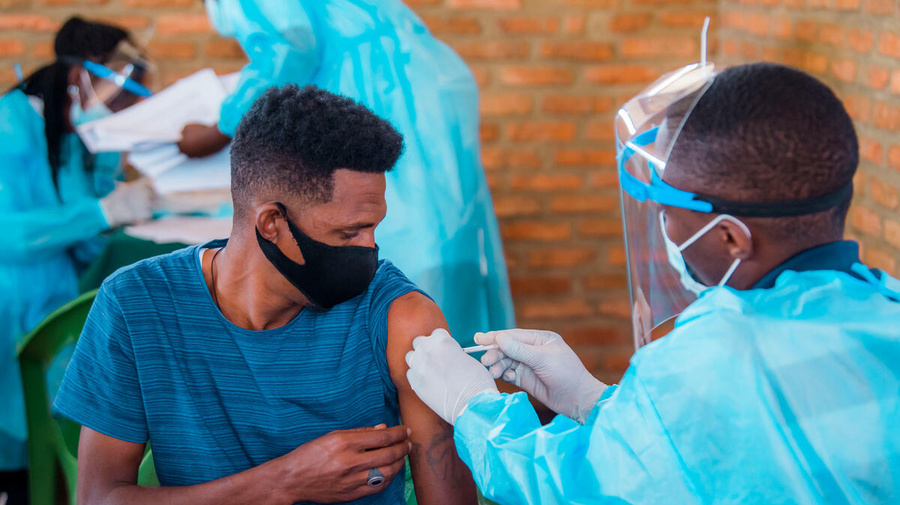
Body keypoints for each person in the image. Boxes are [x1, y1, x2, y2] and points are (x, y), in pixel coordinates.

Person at [405, 62, 900, 504]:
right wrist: (590, 399)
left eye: (667, 213)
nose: (665, 230)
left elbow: (576, 486)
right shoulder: (884, 307)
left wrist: (475, 408)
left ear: (730, 238)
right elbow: (727, 445)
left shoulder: (717, 351)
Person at [54, 85, 477, 505]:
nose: (369, 248)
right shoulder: (136, 305)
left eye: (374, 227)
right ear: (272, 223)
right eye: (349, 232)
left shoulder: (398, 317)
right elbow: (98, 498)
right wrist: (283, 482)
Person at [178, 0, 515, 347]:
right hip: (423, 81)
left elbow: (291, 44)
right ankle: (448, 368)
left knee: (376, 240)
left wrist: (222, 127)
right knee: (438, 239)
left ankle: (406, 362)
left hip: (374, 86)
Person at [0, 17, 154, 504]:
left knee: (53, 442)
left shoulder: (70, 136)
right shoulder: (9, 126)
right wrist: (101, 211)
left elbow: (90, 238)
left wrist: (121, 204)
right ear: (78, 78)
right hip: (13, 308)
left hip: (56, 307)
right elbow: (9, 233)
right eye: (116, 92)